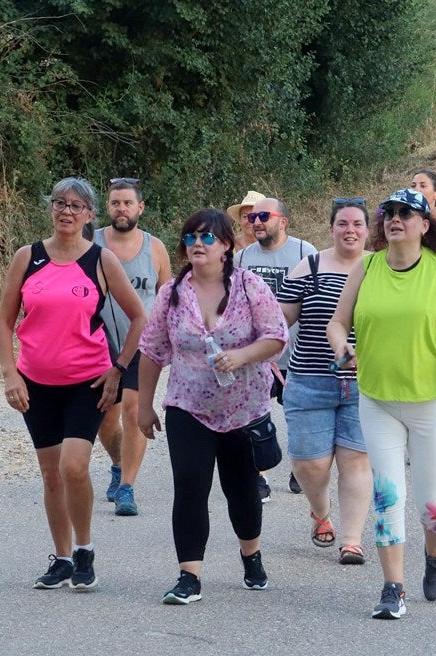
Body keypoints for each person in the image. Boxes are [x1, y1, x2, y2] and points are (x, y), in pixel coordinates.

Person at [327, 188, 436, 620]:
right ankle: (393, 587)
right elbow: (338, 323)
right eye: (389, 213)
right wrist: (342, 349)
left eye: (406, 214)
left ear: (424, 225)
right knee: (387, 494)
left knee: (432, 501)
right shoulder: (367, 266)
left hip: (431, 399)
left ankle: (435, 557)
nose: (395, 219)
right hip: (377, 400)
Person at [0, 177, 146, 591]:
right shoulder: (28, 257)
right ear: (50, 208)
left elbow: (138, 317)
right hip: (36, 383)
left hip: (87, 380)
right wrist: (11, 374)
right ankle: (62, 558)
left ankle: (84, 550)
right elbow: (5, 321)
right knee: (50, 475)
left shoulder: (100, 260)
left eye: (76, 206)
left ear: (90, 216)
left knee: (74, 467)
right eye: (60, 203)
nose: (66, 211)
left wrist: (118, 368)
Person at [137, 209, 288, 605]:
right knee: (189, 485)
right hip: (188, 406)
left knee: (241, 490)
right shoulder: (171, 293)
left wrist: (242, 356)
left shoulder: (249, 285)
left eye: (206, 238)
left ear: (226, 245)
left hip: (243, 408)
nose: (197, 244)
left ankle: (251, 555)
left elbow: (276, 336)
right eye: (190, 238)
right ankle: (189, 576)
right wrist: (144, 405)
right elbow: (152, 351)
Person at [277, 198, 372, 566]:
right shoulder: (310, 266)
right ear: (332, 228)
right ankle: (320, 512)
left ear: (367, 229)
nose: (350, 230)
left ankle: (351, 539)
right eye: (343, 224)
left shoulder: (379, 268)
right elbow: (279, 320)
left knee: (356, 461)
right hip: (310, 381)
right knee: (310, 465)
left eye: (357, 224)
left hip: (365, 384)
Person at [94, 178, 172, 517]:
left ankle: (127, 487)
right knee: (105, 417)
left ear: (140, 208)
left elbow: (168, 295)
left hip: (143, 344)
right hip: (98, 343)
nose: (121, 209)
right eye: (115, 203)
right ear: (107, 207)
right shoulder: (90, 242)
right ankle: (117, 464)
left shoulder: (154, 248)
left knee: (134, 410)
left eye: (127, 203)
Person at [237, 196, 315, 500]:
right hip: (257, 357)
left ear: (282, 221)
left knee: (298, 416)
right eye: (252, 217)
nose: (256, 222)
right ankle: (258, 476)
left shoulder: (303, 252)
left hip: (296, 354)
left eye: (263, 216)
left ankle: (300, 468)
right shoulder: (242, 258)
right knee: (254, 418)